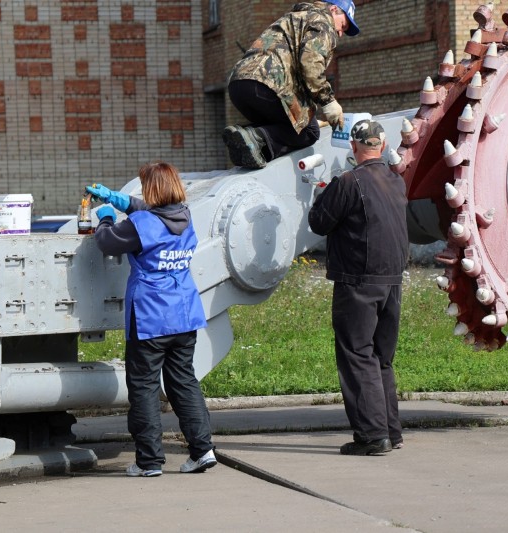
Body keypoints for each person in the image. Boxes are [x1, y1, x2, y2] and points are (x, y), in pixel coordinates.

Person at [87, 163, 217, 477]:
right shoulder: (184, 216)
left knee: (144, 388)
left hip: (150, 318)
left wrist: (104, 217)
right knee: (184, 383)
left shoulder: (142, 224)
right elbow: (148, 211)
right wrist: (118, 199)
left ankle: (149, 462)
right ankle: (203, 451)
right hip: (184, 314)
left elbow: (107, 242)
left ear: (153, 191)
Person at [308, 119, 409, 456]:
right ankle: (391, 431)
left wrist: (318, 191)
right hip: (392, 282)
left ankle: (371, 436)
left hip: (358, 282)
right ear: (381, 145)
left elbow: (319, 221)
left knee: (357, 354)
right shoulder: (396, 182)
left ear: (353, 147)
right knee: (381, 358)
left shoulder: (348, 182)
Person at [223, 0, 360, 169]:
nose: (340, 33)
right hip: (267, 85)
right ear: (333, 10)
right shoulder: (323, 22)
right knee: (309, 132)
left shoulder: (294, 17)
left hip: (238, 86)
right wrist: (328, 101)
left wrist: (308, 116)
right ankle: (254, 136)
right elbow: (310, 64)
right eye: (343, 25)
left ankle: (243, 138)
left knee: (282, 126)